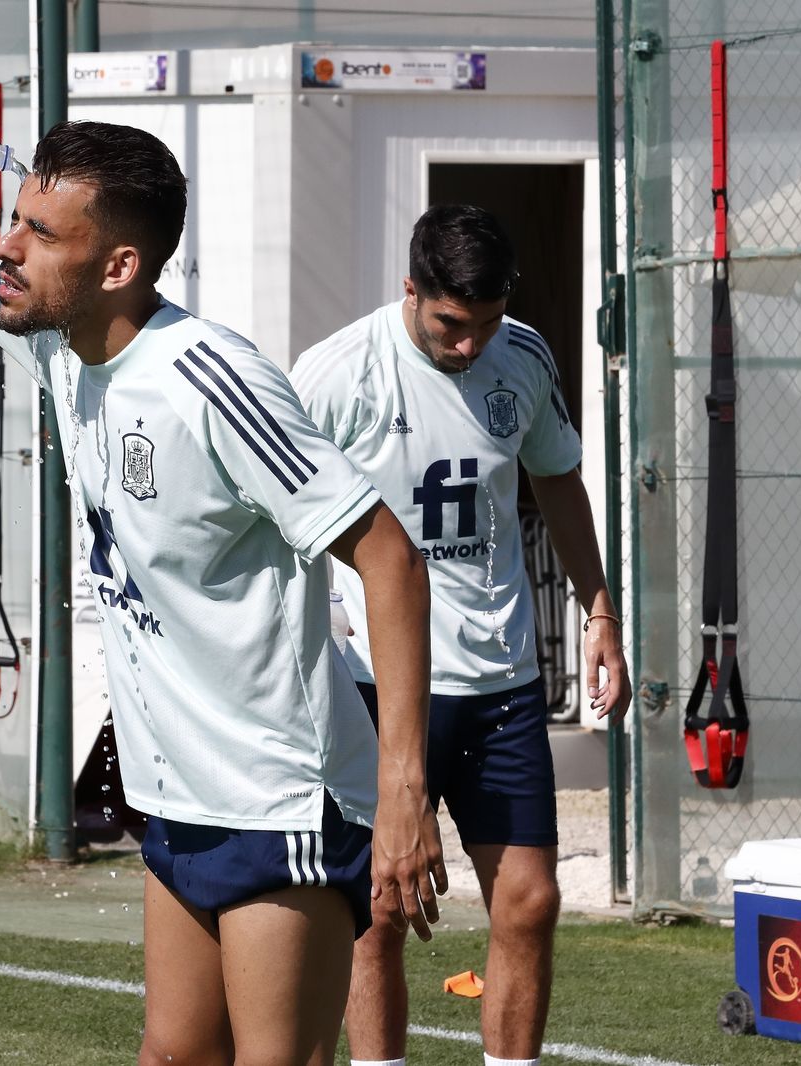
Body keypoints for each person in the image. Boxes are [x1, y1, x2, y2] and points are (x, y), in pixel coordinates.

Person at [0, 83, 447, 1065]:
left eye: (41, 233)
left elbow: (386, 553)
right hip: (175, 794)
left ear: (119, 264)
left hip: (280, 800)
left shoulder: (211, 381)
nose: (7, 247)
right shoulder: (52, 336)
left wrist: (401, 788)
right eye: (15, 220)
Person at [290, 204, 632, 1066]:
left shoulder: (523, 354)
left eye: (485, 324)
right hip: (371, 685)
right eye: (451, 324)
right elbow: (278, 521)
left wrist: (599, 612)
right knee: (377, 916)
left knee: (529, 901)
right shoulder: (335, 375)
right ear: (411, 290)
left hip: (502, 685)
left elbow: (557, 480)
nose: (471, 345)